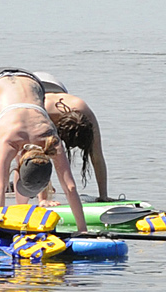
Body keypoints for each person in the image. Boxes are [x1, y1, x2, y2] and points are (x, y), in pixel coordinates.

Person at [0, 68, 90, 231]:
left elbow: (70, 187)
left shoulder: (51, 140)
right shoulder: (10, 141)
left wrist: (83, 231)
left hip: (32, 81)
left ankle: (21, 212)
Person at [32, 71, 110, 199]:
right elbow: (38, 154)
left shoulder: (85, 113)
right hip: (30, 87)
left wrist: (104, 196)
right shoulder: (41, 113)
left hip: (55, 85)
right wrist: (43, 199)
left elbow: (97, 156)